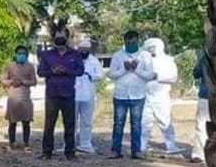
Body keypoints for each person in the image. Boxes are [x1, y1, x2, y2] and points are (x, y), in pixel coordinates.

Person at [37, 26, 85, 160]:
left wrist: (66, 71)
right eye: (57, 37)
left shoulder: (75, 54)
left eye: (62, 37)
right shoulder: (47, 55)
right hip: (52, 95)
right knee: (49, 125)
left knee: (70, 125)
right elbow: (40, 72)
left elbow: (80, 70)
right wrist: (52, 71)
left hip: (68, 94)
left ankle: (70, 153)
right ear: (53, 38)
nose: (59, 39)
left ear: (67, 38)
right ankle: (47, 152)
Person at [108, 30, 157, 159]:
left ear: (138, 41)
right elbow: (111, 74)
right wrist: (125, 69)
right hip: (120, 95)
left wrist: (136, 69)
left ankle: (136, 151)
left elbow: (149, 75)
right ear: (124, 42)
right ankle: (115, 150)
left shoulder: (145, 55)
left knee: (136, 124)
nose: (130, 44)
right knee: (118, 123)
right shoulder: (118, 55)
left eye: (133, 42)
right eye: (128, 42)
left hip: (138, 95)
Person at [141, 38, 182, 155]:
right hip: (145, 94)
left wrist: (157, 76)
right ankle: (141, 144)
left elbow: (173, 77)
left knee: (165, 121)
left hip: (161, 95)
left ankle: (171, 145)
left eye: (153, 48)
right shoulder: (143, 60)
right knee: (145, 121)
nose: (151, 50)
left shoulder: (168, 60)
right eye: (149, 48)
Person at [1, 45, 38, 150]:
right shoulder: (10, 66)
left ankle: (26, 143)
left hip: (25, 97)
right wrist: (11, 82)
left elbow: (34, 81)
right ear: (15, 54)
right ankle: (12, 142)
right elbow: (3, 80)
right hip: (12, 97)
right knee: (12, 122)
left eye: (23, 54)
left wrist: (23, 82)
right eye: (19, 53)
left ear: (26, 55)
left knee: (26, 122)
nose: (21, 55)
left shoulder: (30, 66)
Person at [75, 39, 103, 154]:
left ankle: (85, 144)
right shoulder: (73, 59)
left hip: (88, 95)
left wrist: (90, 75)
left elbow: (100, 75)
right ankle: (69, 143)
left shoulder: (94, 61)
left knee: (86, 121)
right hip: (74, 94)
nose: (83, 52)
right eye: (81, 50)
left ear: (89, 50)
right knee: (71, 121)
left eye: (85, 50)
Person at [191, 51, 210, 164]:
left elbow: (196, 73)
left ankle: (199, 154)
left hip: (206, 94)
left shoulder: (206, 55)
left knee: (201, 125)